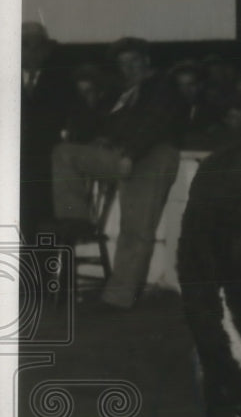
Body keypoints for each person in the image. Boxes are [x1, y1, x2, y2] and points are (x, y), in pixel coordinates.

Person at [50, 37, 187, 308]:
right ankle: (75, 218)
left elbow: (155, 122)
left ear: (146, 60)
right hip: (122, 154)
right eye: (123, 63)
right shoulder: (121, 92)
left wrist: (131, 153)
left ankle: (118, 298)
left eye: (134, 61)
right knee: (64, 152)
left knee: (135, 229)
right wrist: (103, 138)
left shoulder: (163, 85)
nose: (128, 68)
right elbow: (101, 123)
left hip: (153, 155)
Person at [20, 22, 71, 243]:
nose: (31, 52)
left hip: (46, 169)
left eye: (37, 46)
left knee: (45, 225)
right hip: (9, 170)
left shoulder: (60, 81)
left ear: (45, 51)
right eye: (24, 45)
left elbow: (80, 116)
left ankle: (43, 276)